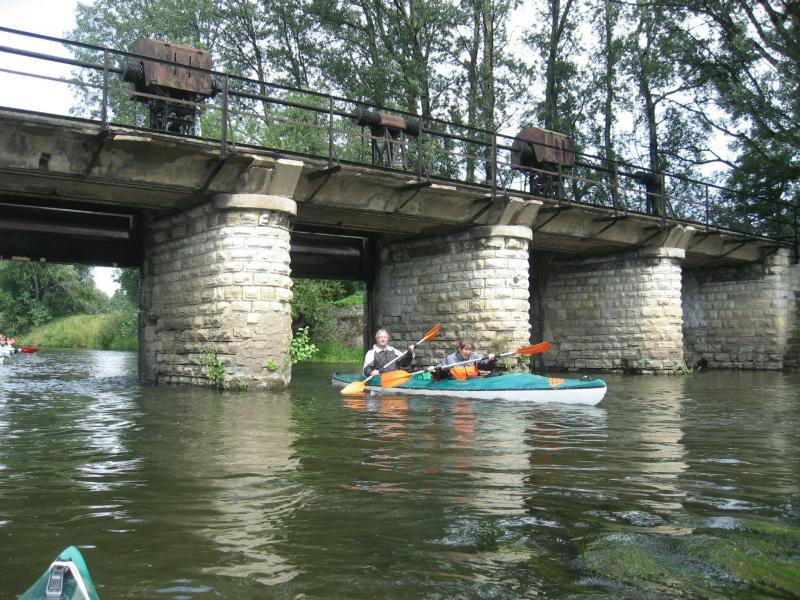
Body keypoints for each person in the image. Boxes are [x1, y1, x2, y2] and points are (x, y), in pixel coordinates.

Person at [428, 339, 497, 380]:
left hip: (475, 382)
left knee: (494, 375)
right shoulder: (450, 359)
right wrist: (434, 371)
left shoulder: (475, 356)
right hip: (459, 385)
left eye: (470, 349)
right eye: (466, 349)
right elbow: (440, 371)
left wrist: (491, 361)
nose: (468, 352)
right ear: (460, 349)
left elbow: (485, 365)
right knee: (470, 378)